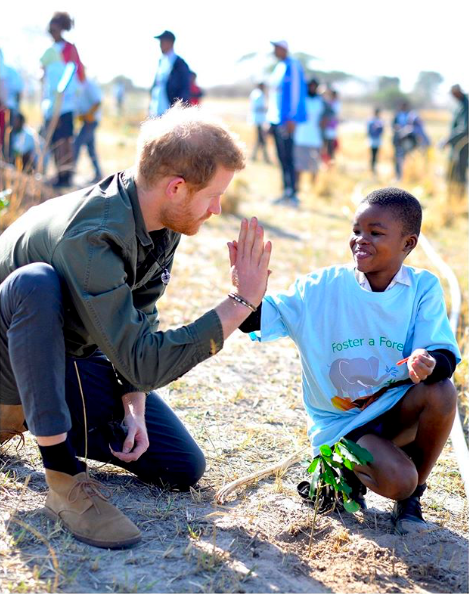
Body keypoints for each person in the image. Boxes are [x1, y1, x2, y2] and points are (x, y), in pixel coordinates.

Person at [0, 103, 272, 550]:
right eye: (213, 195)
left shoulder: (161, 220)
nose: (217, 209)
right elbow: (145, 362)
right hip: (10, 356)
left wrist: (134, 405)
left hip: (64, 358)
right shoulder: (93, 234)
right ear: (177, 187)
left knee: (180, 465)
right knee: (36, 283)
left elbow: (140, 321)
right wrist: (241, 302)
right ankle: (63, 479)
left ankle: (30, 418)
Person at [234, 187, 460, 535]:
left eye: (375, 233)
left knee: (442, 392)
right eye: (356, 230)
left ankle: (413, 498)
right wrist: (245, 293)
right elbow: (255, 321)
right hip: (344, 426)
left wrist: (427, 360)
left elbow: (443, 356)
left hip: (394, 411)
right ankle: (340, 471)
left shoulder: (422, 288)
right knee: (398, 479)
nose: (360, 240)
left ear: (408, 244)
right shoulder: (321, 287)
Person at [40, 11, 85, 188]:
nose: (53, 31)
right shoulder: (49, 52)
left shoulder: (69, 48)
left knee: (66, 139)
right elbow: (42, 71)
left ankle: (67, 174)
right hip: (51, 104)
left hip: (66, 103)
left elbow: (76, 72)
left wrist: (67, 91)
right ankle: (59, 172)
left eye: (55, 27)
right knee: (55, 139)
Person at [266, 40, 307, 207]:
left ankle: (293, 193)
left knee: (289, 157)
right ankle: (285, 191)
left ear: (284, 49)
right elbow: (274, 95)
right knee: (281, 157)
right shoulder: (278, 67)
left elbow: (296, 93)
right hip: (276, 120)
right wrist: (270, 120)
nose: (274, 50)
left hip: (287, 121)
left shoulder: (293, 66)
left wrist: (293, 118)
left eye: (276, 47)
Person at [149, 30, 191, 117]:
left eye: (162, 42)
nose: (160, 45)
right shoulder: (161, 61)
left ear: (170, 43)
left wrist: (178, 109)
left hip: (169, 113)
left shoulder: (179, 63)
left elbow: (185, 88)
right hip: (156, 110)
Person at [294, 78, 325, 187]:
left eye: (314, 86)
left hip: (315, 139)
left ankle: (313, 188)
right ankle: (297, 188)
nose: (312, 88)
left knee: (314, 166)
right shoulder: (301, 100)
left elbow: (328, 116)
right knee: (299, 165)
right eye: (310, 86)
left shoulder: (321, 101)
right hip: (301, 137)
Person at [74, 75, 103, 183]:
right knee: (91, 148)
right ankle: (98, 174)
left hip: (91, 121)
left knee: (76, 144)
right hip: (86, 121)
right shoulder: (79, 86)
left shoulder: (89, 85)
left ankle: (70, 171)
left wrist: (89, 114)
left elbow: (98, 101)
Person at [392, 101, 430, 180]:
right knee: (398, 158)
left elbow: (416, 130)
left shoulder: (410, 116)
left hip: (407, 141)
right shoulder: (397, 115)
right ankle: (399, 176)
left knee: (408, 158)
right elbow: (394, 126)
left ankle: (407, 176)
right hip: (399, 141)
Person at [442, 84, 468, 187]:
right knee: (452, 171)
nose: (453, 96)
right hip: (456, 144)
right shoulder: (459, 104)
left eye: (454, 94)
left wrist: (449, 139)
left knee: (459, 171)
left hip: (462, 144)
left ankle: (458, 197)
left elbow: (464, 129)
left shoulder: (466, 105)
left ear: (458, 92)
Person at [249, 82, 270, 163]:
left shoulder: (255, 93)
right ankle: (265, 158)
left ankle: (255, 156)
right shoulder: (258, 94)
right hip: (258, 120)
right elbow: (258, 107)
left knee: (260, 139)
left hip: (258, 119)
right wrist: (266, 109)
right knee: (261, 139)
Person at [321, 88, 340, 165]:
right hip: (326, 127)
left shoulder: (335, 104)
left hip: (331, 128)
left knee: (330, 146)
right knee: (325, 145)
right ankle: (326, 161)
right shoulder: (328, 103)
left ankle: (329, 161)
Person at [367, 107, 385, 174]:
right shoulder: (371, 120)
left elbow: (382, 130)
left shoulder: (380, 121)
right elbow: (369, 130)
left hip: (377, 139)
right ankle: (372, 168)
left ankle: (374, 167)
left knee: (376, 154)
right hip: (372, 139)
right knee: (372, 154)